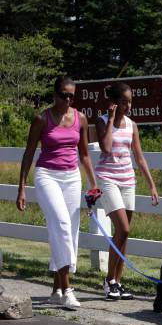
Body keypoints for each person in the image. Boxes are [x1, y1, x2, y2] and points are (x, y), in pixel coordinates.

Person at [16, 76, 97, 310]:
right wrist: (21, 188)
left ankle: (55, 291)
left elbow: (84, 154)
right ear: (55, 95)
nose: (68, 99)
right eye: (64, 94)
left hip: (71, 177)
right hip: (47, 176)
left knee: (69, 233)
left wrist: (93, 184)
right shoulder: (42, 119)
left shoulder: (80, 118)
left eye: (72, 95)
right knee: (61, 224)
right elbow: (29, 153)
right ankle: (68, 289)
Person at [95, 81, 159, 300]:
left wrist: (151, 184)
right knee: (123, 228)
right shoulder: (102, 121)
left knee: (124, 234)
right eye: (124, 102)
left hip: (127, 180)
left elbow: (139, 157)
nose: (128, 106)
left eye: (130, 101)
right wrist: (112, 118)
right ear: (114, 103)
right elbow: (105, 147)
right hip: (107, 179)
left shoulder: (132, 125)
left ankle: (118, 283)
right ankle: (109, 280)